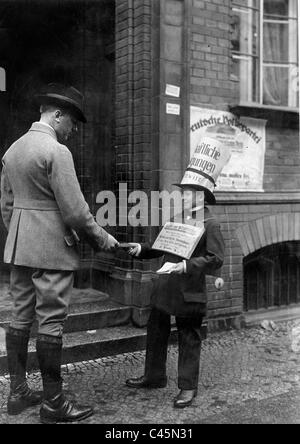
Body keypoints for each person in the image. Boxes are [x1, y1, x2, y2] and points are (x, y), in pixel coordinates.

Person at [0, 83, 119, 423]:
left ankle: (18, 392)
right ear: (57, 115)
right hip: (53, 249)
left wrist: (22, 236)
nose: (74, 130)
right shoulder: (56, 152)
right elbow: (76, 212)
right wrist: (102, 239)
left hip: (20, 248)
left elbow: (6, 205)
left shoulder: (12, 150)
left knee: (21, 317)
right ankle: (54, 404)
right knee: (51, 322)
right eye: (73, 122)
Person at [125, 185, 225, 408]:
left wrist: (186, 266)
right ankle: (154, 376)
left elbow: (216, 258)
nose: (183, 196)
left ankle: (188, 388)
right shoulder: (178, 218)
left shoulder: (211, 223)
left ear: (200, 196)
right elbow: (161, 246)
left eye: (187, 193)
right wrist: (140, 249)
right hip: (165, 286)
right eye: (183, 193)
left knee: (189, 337)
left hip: (190, 291)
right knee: (156, 330)